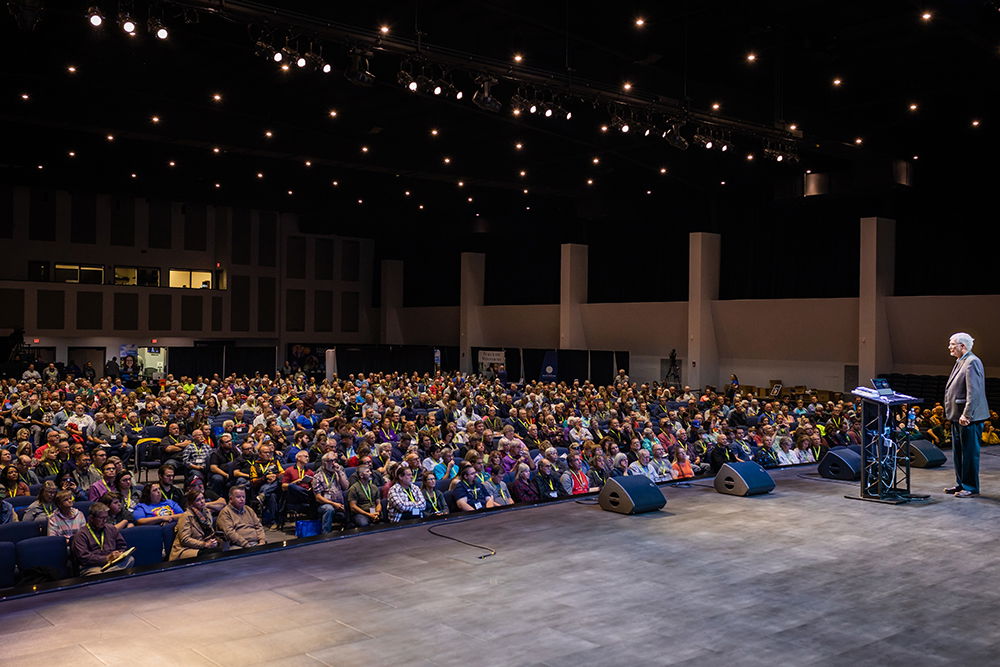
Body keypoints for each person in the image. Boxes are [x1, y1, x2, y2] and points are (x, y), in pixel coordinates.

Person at [944, 332, 989, 497]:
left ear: (962, 346)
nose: (949, 347)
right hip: (957, 416)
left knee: (969, 453)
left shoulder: (972, 362)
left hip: (968, 417)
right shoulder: (961, 361)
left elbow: (974, 392)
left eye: (952, 344)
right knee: (958, 453)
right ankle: (961, 484)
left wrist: (967, 414)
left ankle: (970, 487)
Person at [70, 502, 134, 575]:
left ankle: (107, 575)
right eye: (101, 518)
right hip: (93, 566)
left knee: (130, 559)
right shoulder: (81, 535)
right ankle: (110, 574)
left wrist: (118, 553)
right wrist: (106, 558)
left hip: (113, 562)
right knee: (96, 573)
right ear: (91, 518)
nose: (104, 520)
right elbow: (84, 558)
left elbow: (122, 545)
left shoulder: (111, 528)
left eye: (106, 517)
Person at [170, 489, 220, 560]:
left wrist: (213, 542)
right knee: (214, 553)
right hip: (186, 549)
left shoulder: (206, 512)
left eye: (203, 498)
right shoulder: (186, 516)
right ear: (191, 503)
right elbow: (185, 539)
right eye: (198, 500)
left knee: (220, 548)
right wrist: (205, 544)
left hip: (202, 546)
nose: (202, 501)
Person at [313, 453, 349, 533]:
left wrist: (339, 472)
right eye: (330, 461)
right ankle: (326, 534)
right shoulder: (318, 476)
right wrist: (334, 504)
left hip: (340, 503)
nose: (334, 463)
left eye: (335, 460)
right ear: (324, 462)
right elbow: (318, 497)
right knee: (329, 509)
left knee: (352, 504)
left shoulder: (338, 472)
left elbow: (346, 487)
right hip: (324, 504)